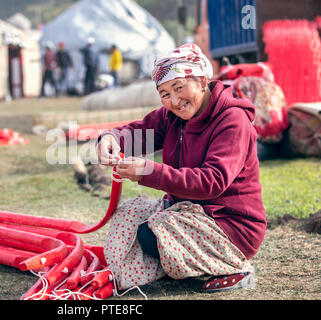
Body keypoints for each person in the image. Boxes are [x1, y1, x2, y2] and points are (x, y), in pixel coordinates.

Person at [96, 43, 266, 293]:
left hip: (230, 224)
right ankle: (175, 265)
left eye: (179, 88)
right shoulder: (171, 116)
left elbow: (212, 181)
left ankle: (234, 266)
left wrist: (148, 172)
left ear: (200, 80)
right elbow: (138, 132)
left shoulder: (232, 121)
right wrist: (109, 138)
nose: (174, 101)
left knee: (152, 233)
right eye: (164, 94)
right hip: (187, 212)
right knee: (129, 215)